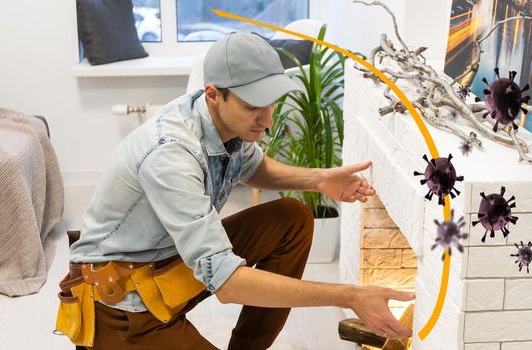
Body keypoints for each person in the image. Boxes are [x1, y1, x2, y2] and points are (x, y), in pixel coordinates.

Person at [62, 32, 414, 350]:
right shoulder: (170, 154)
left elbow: (253, 167)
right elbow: (227, 283)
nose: (268, 119)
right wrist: (351, 296)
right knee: (230, 270)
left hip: (168, 264)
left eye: (271, 103)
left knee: (291, 218)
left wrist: (318, 179)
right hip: (121, 304)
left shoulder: (224, 124)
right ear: (214, 94)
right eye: (252, 107)